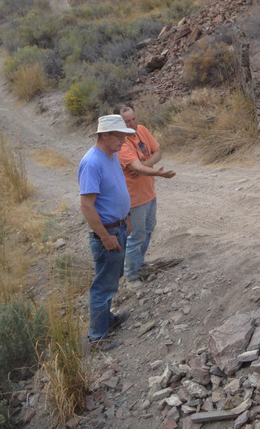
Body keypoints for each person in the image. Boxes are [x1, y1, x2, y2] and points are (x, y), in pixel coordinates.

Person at [78, 114, 136, 349]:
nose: (123, 141)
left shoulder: (110, 156)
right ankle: (97, 337)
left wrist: (127, 217)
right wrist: (105, 236)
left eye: (124, 136)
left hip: (118, 226)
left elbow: (117, 189)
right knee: (103, 284)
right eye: (119, 136)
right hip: (108, 233)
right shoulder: (92, 162)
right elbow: (86, 205)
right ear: (104, 135)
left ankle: (107, 320)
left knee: (112, 278)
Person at [113, 103, 176, 289]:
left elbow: (158, 152)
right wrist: (156, 172)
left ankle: (139, 263)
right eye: (127, 121)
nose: (132, 124)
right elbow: (135, 167)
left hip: (149, 192)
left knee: (148, 229)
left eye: (133, 119)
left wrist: (146, 165)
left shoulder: (141, 130)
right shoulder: (121, 143)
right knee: (136, 236)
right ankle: (131, 276)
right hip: (135, 199)